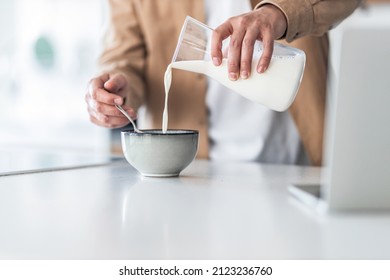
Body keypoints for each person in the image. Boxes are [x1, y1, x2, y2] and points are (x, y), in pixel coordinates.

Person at [85, 0, 361, 166]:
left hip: (294, 165)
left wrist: (278, 13)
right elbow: (123, 56)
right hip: (196, 174)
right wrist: (115, 88)